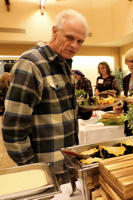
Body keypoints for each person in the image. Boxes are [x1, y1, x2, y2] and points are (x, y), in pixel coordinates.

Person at [2, 9, 94, 180]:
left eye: (80, 41)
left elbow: (57, 110)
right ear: (55, 31)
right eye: (69, 37)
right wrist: (34, 171)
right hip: (47, 169)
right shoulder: (31, 64)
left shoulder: (64, 64)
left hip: (69, 163)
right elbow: (13, 131)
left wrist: (84, 110)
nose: (75, 45)